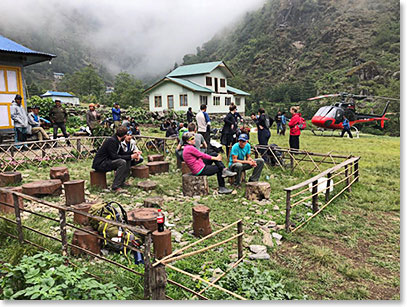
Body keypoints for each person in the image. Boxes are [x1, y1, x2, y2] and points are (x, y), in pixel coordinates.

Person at [92, 126, 140, 192]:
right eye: (126, 135)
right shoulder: (112, 141)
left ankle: (121, 182)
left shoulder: (117, 141)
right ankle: (115, 186)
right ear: (124, 135)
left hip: (107, 161)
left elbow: (122, 153)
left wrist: (132, 153)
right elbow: (114, 156)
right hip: (101, 163)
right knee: (122, 162)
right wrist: (131, 156)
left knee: (127, 159)